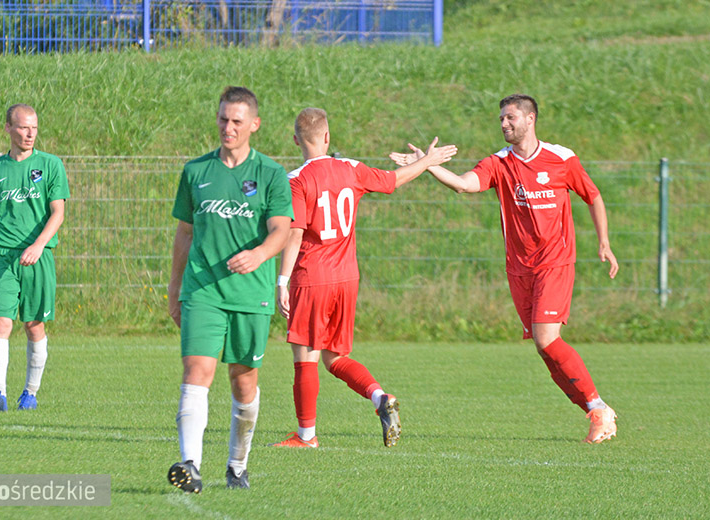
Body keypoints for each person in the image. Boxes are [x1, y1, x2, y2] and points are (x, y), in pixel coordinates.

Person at [390, 94, 619, 443]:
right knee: (544, 349)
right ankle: (594, 410)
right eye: (500, 119)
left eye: (510, 117)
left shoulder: (562, 158)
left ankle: (599, 408)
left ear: (530, 119)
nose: (503, 124)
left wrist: (604, 241)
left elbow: (593, 196)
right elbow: (465, 184)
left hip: (555, 262)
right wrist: (427, 164)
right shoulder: (498, 163)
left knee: (547, 338)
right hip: (519, 268)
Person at [270, 107, 457, 449]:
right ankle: (379, 397)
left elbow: (294, 233)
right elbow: (393, 179)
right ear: (327, 136)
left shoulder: (295, 179)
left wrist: (282, 281)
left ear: (296, 140)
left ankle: (306, 436)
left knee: (306, 357)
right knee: (333, 357)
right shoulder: (351, 168)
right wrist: (427, 162)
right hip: (347, 277)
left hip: (312, 276)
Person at [167, 86, 293, 493]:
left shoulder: (271, 174)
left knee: (244, 382)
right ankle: (191, 464)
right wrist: (174, 289)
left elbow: (281, 230)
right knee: (196, 371)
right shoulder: (196, 172)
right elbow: (184, 233)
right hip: (202, 290)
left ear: (254, 125)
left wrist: (259, 256)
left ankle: (237, 464)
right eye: (223, 119)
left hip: (249, 294)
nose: (228, 127)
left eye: (237, 121)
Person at [0, 103, 69, 412]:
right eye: (23, 127)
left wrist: (39, 245)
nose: (29, 133)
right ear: (8, 129)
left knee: (34, 326)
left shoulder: (51, 165)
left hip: (38, 258)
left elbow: (58, 212)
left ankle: (30, 393)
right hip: (3, 256)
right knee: (1, 324)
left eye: (34, 128)